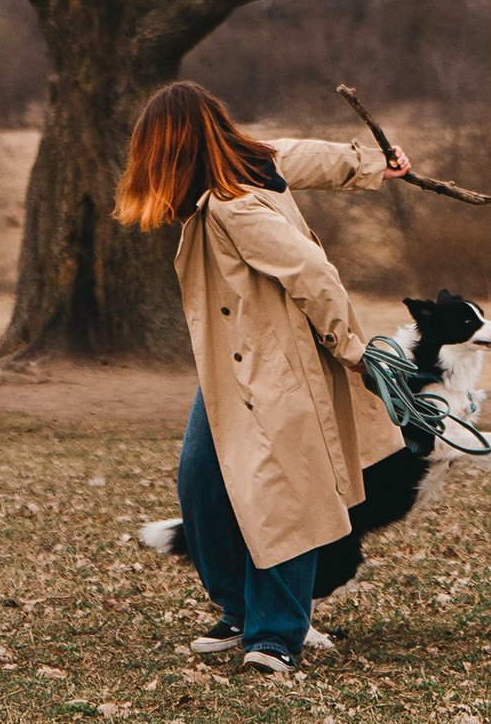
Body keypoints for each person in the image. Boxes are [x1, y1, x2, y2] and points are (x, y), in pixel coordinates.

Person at [114, 82, 408, 678]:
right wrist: (371, 163)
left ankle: (274, 636)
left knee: (284, 496)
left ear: (174, 151)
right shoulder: (252, 164)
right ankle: (238, 609)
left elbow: (313, 273)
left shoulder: (234, 206)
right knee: (201, 483)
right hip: (232, 370)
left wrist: (351, 348)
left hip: (279, 372)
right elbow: (305, 154)